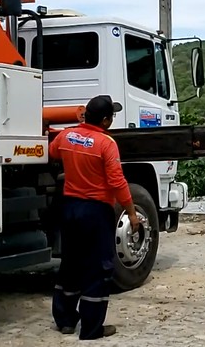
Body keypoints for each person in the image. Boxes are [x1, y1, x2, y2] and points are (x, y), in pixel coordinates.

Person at [49, 94, 139, 340]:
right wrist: (131, 213)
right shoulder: (106, 143)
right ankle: (91, 328)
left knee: (70, 263)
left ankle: (65, 320)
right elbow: (117, 182)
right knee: (98, 268)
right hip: (96, 211)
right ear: (106, 120)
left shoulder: (66, 135)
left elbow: (53, 152)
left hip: (70, 208)